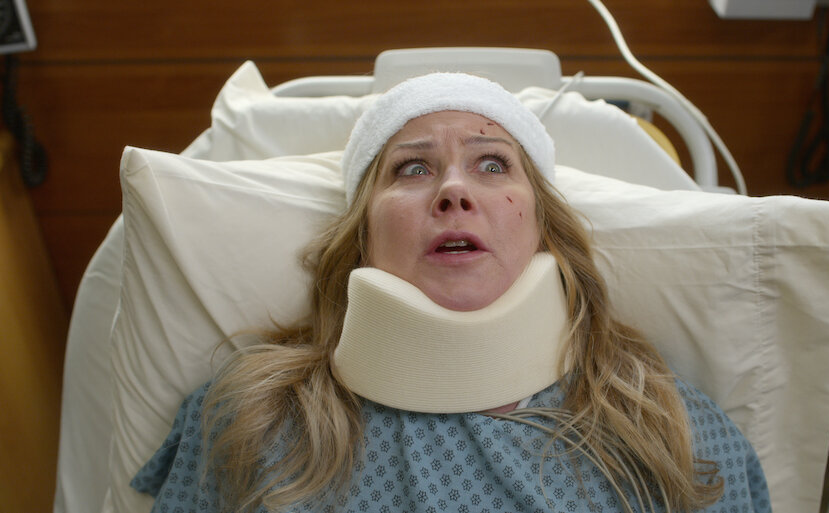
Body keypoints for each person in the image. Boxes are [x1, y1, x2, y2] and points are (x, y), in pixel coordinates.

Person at [131, 73, 770, 513]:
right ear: (363, 239)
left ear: (544, 230)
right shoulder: (254, 420)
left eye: (493, 164)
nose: (454, 191)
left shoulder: (669, 429)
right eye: (413, 168)